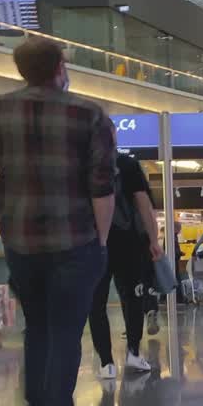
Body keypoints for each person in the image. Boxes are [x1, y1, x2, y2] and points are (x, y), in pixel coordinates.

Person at [0, 36, 115, 406]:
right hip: (75, 240)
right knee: (67, 329)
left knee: (38, 327)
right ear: (60, 68)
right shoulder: (89, 114)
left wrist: (2, 212)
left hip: (21, 241)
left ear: (20, 69)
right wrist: (100, 241)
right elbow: (102, 189)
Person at [88, 152, 162, 379]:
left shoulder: (84, 161)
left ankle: (106, 363)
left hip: (94, 243)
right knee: (133, 298)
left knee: (96, 303)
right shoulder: (128, 164)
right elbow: (143, 204)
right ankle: (132, 353)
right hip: (128, 243)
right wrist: (153, 240)